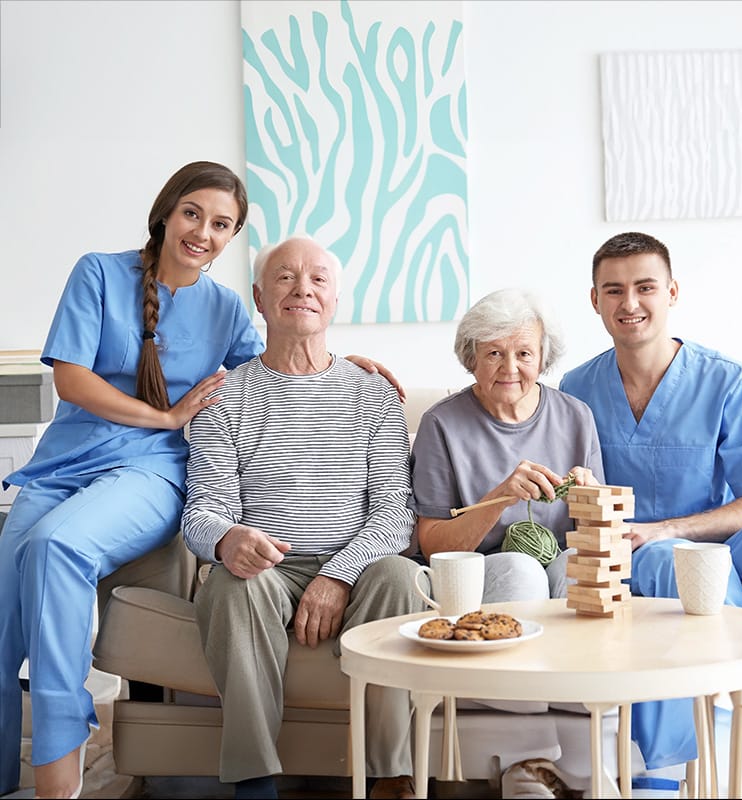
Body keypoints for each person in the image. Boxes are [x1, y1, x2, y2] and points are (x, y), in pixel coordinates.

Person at [0, 163, 395, 800]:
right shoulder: (99, 273)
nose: (203, 232)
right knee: (1, 622)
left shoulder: (226, 306)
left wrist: (345, 363)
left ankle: (58, 773)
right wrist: (164, 414)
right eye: (193, 214)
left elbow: (283, 360)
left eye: (221, 225)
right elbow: (71, 382)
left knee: (55, 548)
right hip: (59, 469)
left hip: (148, 470)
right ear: (166, 211)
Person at [181, 235, 424, 800]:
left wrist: (338, 575)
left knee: (400, 575)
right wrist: (225, 540)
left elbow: (394, 515)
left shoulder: (374, 395)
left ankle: (390, 774)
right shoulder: (226, 397)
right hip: (268, 571)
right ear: (260, 300)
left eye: (317, 279)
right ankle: (255, 779)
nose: (302, 289)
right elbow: (203, 512)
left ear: (335, 301)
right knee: (230, 584)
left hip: (356, 569)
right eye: (285, 278)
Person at [559, 231, 742, 770]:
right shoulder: (575, 388)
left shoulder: (729, 382)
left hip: (718, 546)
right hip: (637, 554)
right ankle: (667, 763)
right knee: (672, 562)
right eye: (614, 290)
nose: (631, 303)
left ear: (672, 292)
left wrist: (668, 527)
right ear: (594, 300)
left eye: (645, 287)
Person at [408, 288, 604, 602]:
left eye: (524, 353)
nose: (509, 368)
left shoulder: (576, 416)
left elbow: (598, 536)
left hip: (558, 561)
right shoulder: (441, 424)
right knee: (520, 568)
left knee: (581, 563)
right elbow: (433, 547)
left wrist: (594, 500)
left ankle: (580, 652)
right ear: (472, 359)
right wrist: (500, 497)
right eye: (494, 353)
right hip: (486, 568)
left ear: (542, 359)